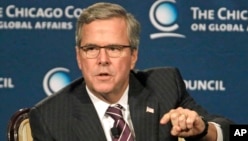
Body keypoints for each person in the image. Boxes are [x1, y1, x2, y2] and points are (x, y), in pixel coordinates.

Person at [29, 2, 233, 141]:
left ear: (133, 56)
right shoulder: (50, 116)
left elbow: (239, 133)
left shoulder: (165, 85)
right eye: (91, 49)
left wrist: (205, 130)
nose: (102, 60)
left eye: (114, 49)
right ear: (78, 57)